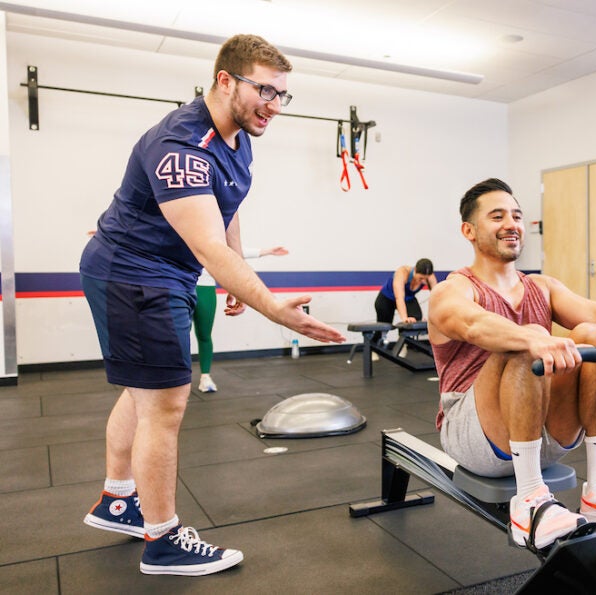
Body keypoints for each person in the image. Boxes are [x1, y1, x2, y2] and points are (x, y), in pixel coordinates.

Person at [79, 34, 345, 576]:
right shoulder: (182, 145)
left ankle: (117, 499)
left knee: (145, 391)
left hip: (161, 273)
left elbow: (227, 212)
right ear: (225, 81)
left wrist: (236, 274)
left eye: (282, 94)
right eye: (264, 90)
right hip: (134, 273)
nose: (274, 104)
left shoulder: (239, 138)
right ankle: (163, 540)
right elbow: (206, 246)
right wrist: (271, 307)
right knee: (166, 403)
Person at [427, 178, 596, 551]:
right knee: (525, 337)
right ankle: (530, 500)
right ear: (468, 230)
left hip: (541, 428)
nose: (511, 224)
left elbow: (594, 311)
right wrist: (533, 336)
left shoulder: (541, 286)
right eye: (497, 216)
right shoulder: (453, 289)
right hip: (474, 436)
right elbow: (471, 322)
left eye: (516, 216)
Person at [195, 245, 289, 393]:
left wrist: (265, 251)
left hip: (205, 287)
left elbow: (231, 252)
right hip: (180, 284)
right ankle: (175, 380)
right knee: (178, 337)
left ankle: (205, 377)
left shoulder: (209, 231)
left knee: (204, 334)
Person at [374, 258, 438, 325]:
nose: (423, 281)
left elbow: (437, 297)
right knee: (384, 326)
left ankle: (405, 335)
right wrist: (404, 318)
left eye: (426, 279)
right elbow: (399, 298)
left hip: (408, 298)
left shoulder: (430, 277)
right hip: (387, 299)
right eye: (421, 278)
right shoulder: (403, 272)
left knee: (417, 319)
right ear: (415, 270)